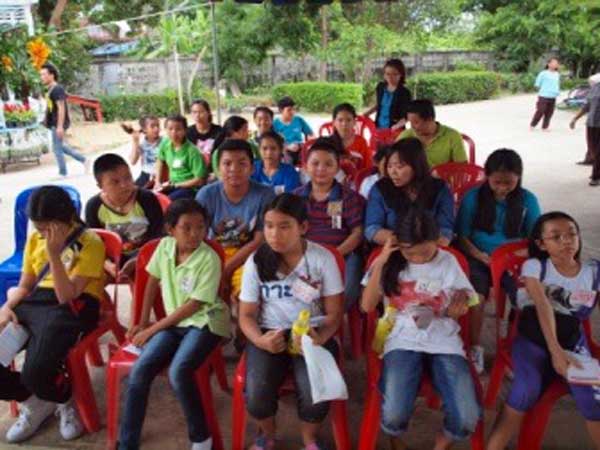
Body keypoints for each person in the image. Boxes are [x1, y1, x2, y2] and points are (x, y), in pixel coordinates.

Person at [362, 208, 481, 450]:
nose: (417, 259)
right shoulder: (389, 262)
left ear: (438, 240)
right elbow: (367, 306)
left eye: (425, 252)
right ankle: (395, 437)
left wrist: (459, 306)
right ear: (398, 244)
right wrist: (382, 261)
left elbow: (467, 299)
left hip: (443, 339)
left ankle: (444, 439)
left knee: (467, 418)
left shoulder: (447, 261)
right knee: (394, 414)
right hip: (402, 338)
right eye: (409, 253)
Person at [118, 199, 229, 450]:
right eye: (186, 227)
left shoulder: (209, 258)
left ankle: (201, 439)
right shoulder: (165, 247)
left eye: (200, 227)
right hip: (173, 324)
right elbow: (151, 282)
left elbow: (193, 306)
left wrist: (152, 329)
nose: (195, 233)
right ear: (171, 230)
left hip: (205, 322)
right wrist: (142, 322)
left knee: (179, 372)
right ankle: (127, 443)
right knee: (139, 371)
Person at [239, 193, 344, 450]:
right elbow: (246, 315)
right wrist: (260, 340)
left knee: (315, 391)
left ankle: (309, 439)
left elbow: (335, 313)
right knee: (257, 393)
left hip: (312, 333)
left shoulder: (322, 259)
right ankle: (268, 435)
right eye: (269, 226)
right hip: (269, 332)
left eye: (284, 226)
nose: (275, 234)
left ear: (303, 227)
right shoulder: (256, 261)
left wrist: (320, 337)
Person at [0, 185, 105, 443]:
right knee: (22, 367)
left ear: (67, 217)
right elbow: (26, 285)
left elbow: (66, 296)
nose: (43, 234)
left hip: (72, 307)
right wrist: (7, 307)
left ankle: (63, 397)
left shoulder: (90, 242)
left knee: (36, 371)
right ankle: (36, 402)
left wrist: (54, 255)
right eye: (39, 229)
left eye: (48, 228)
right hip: (34, 304)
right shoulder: (35, 240)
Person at [487, 212, 600, 450]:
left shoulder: (593, 271)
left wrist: (565, 351)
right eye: (556, 237)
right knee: (526, 389)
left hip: (572, 341)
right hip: (534, 338)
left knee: (592, 398)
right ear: (541, 244)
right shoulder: (536, 266)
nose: (566, 241)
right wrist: (556, 352)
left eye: (571, 234)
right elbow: (542, 305)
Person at [455, 149, 541, 374]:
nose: (502, 188)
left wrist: (511, 258)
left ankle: (514, 348)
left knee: (525, 299)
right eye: (497, 182)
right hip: (478, 257)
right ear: (487, 176)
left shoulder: (528, 200)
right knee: (476, 298)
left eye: (509, 183)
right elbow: (462, 236)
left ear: (519, 178)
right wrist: (480, 256)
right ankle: (474, 347)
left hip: (514, 260)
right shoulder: (473, 198)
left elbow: (535, 240)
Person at [195, 139, 275, 306]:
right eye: (227, 163)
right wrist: (215, 267)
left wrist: (227, 269)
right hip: (213, 253)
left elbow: (260, 240)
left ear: (252, 168)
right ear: (218, 168)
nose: (234, 169)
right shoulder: (206, 195)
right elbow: (197, 237)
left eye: (242, 163)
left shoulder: (265, 195)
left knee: (246, 295)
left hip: (249, 255)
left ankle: (243, 321)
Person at [294, 137, 365, 310]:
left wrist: (334, 254)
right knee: (294, 295)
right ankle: (313, 317)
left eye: (328, 164)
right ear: (305, 166)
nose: (321, 169)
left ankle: (330, 318)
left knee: (346, 293)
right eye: (315, 163)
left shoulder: (349, 197)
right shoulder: (296, 197)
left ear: (337, 168)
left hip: (343, 254)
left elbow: (358, 233)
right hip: (306, 255)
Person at [85, 153, 164, 283]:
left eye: (128, 178)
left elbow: (159, 235)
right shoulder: (94, 206)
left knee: (144, 276)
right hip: (112, 259)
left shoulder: (146, 199)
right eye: (115, 182)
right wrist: (107, 264)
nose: (124, 185)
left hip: (147, 255)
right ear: (100, 186)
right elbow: (93, 241)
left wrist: (137, 260)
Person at [364, 138, 454, 247]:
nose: (393, 172)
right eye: (389, 166)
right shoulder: (380, 188)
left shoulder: (439, 188)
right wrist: (407, 241)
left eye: (399, 167)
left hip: (431, 250)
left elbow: (446, 231)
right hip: (393, 248)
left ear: (416, 166)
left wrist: (421, 246)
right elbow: (372, 229)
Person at [40, 63, 88, 178]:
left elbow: (61, 108)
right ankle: (84, 160)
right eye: (41, 75)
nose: (42, 77)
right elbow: (51, 108)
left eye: (44, 74)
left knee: (57, 148)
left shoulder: (57, 89)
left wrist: (60, 126)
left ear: (52, 75)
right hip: (54, 122)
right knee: (60, 146)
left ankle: (63, 172)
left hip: (58, 122)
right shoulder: (50, 89)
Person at [397, 99, 467, 167]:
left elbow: (462, 167)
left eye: (416, 122)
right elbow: (394, 161)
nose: (412, 126)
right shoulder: (406, 136)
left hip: (444, 175)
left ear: (430, 119)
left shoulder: (452, 136)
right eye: (410, 122)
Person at [156, 114, 208, 200]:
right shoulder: (165, 143)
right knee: (152, 197)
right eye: (170, 129)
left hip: (190, 188)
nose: (174, 132)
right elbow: (160, 160)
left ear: (185, 130)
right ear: (165, 129)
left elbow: (200, 180)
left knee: (167, 201)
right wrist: (157, 182)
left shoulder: (192, 151)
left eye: (178, 129)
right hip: (171, 185)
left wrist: (176, 185)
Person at [363, 58, 412, 130]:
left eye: (395, 74)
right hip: (378, 128)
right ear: (384, 74)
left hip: (395, 130)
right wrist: (366, 114)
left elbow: (406, 116)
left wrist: (397, 126)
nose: (390, 77)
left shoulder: (404, 92)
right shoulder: (380, 87)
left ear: (401, 75)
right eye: (387, 74)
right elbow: (378, 105)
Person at [570, 73, 600, 185]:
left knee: (598, 152)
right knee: (593, 149)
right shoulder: (595, 88)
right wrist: (575, 119)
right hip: (591, 124)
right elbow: (587, 106)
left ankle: (596, 176)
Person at [273, 96, 315, 166]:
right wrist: (287, 147)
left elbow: (311, 134)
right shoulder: (275, 124)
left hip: (300, 149)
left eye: (293, 109)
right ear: (281, 110)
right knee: (286, 160)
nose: (292, 112)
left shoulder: (298, 120)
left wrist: (309, 142)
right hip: (285, 151)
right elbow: (273, 142)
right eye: (289, 110)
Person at [123, 116, 162, 188]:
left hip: (162, 175)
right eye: (152, 126)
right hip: (145, 175)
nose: (156, 129)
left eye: (158, 125)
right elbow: (133, 161)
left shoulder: (165, 141)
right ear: (144, 129)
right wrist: (135, 141)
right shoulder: (141, 143)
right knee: (130, 190)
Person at [331, 103, 372, 170]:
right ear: (334, 122)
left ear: (354, 122)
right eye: (340, 120)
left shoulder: (361, 142)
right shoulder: (328, 143)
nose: (344, 124)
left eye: (349, 120)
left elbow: (367, 168)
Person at [530, 58, 561, 131]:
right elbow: (537, 85)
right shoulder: (543, 73)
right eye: (553, 63)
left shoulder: (557, 74)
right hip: (543, 96)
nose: (555, 64)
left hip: (553, 96)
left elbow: (557, 84)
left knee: (549, 113)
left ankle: (545, 127)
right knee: (540, 110)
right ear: (549, 64)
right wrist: (542, 91)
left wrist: (556, 91)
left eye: (556, 63)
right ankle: (533, 124)